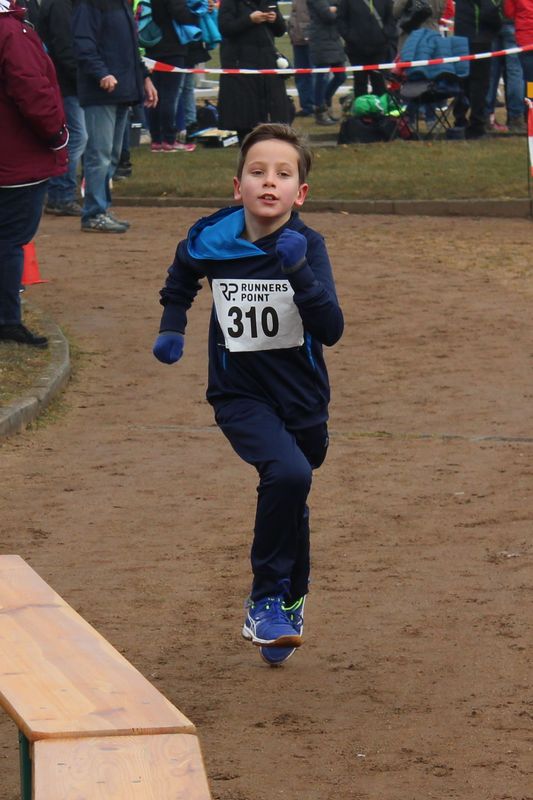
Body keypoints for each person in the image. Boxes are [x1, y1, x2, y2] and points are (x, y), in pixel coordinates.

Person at [152, 123, 344, 666]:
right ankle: (264, 601)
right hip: (239, 393)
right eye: (258, 172)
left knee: (293, 487)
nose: (269, 181)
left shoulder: (306, 245)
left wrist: (298, 272)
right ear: (238, 186)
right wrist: (172, 325)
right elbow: (183, 272)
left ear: (300, 193)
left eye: (283, 174)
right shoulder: (212, 238)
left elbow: (331, 328)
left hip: (303, 398)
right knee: (288, 474)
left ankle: (290, 599)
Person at [0, 0, 68, 347]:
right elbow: (32, 89)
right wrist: (57, 133)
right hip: (16, 157)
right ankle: (7, 320)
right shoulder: (10, 31)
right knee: (10, 240)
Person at [72, 0, 158, 233]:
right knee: (99, 155)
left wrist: (144, 77)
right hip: (101, 92)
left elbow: (131, 49)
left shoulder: (121, 5)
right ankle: (94, 213)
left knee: (111, 156)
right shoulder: (90, 5)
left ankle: (101, 208)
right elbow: (83, 44)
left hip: (123, 90)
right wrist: (101, 73)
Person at [217, 0, 293, 143]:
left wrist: (275, 19)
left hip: (267, 63)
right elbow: (225, 28)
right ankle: (247, 146)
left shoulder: (269, 1)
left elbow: (281, 30)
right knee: (245, 114)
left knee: (274, 111)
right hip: (241, 64)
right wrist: (249, 20)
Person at [38, 0, 88, 216]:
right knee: (75, 138)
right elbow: (64, 46)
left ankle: (60, 193)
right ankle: (61, 194)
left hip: (68, 82)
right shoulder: (60, 5)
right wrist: (81, 79)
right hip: (66, 84)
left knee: (75, 138)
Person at [143, 0, 199, 153]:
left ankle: (156, 139)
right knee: (169, 96)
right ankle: (168, 139)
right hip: (172, 47)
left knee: (154, 95)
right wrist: (195, 15)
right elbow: (180, 13)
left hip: (152, 44)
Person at [453, 0, 503, 138]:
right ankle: (477, 125)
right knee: (479, 84)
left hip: (461, 38)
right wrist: (497, 25)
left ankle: (460, 119)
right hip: (478, 40)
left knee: (463, 81)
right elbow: (489, 11)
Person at [337, 0, 397, 100]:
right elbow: (341, 20)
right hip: (356, 49)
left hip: (379, 48)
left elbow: (390, 19)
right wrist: (350, 36)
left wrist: (385, 34)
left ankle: (380, 107)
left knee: (379, 81)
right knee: (360, 81)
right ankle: (362, 107)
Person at [307, 0, 347, 125]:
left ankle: (325, 99)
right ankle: (319, 110)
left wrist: (335, 8)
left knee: (341, 76)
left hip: (333, 39)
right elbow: (327, 15)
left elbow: (341, 7)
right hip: (321, 40)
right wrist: (336, 9)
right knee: (322, 77)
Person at [485, 16, 525, 133]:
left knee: (491, 73)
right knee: (515, 72)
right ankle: (516, 118)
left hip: (493, 22)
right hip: (514, 23)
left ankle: (487, 116)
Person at [288, 0, 315, 117]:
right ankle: (307, 106)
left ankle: (317, 105)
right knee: (301, 75)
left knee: (315, 74)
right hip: (297, 40)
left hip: (312, 41)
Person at [503, 0, 533, 96]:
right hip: (525, 36)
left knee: (529, 78)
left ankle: (531, 100)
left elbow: (509, 12)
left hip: (525, 37)